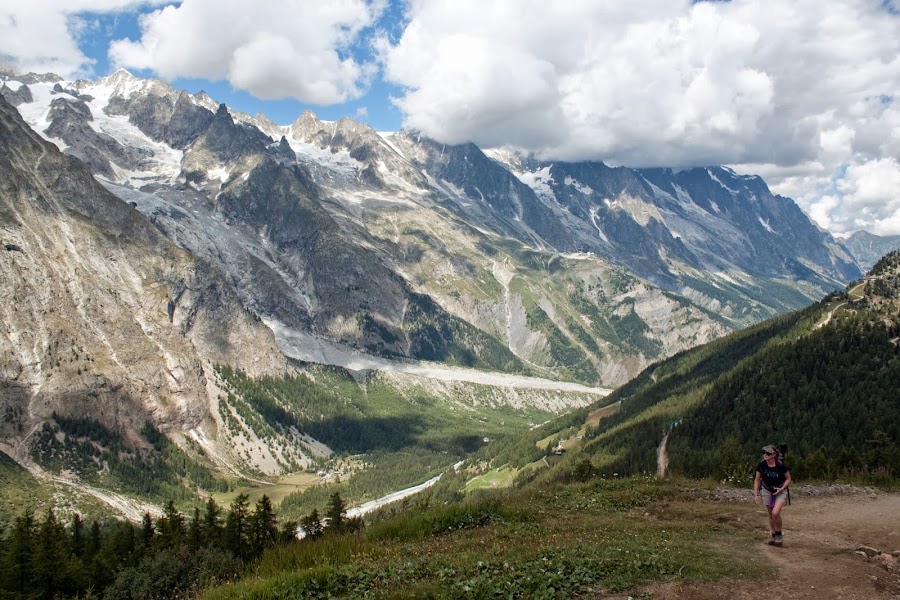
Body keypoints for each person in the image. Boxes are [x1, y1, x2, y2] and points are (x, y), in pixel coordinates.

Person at [753, 444, 791, 546]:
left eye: (768, 453)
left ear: (774, 455)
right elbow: (757, 480)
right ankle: (774, 535)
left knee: (775, 513)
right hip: (766, 490)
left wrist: (782, 488)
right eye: (764, 453)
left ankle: (778, 535)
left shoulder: (780, 466)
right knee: (770, 514)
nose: (765, 455)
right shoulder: (761, 465)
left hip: (780, 490)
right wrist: (756, 494)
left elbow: (788, 479)